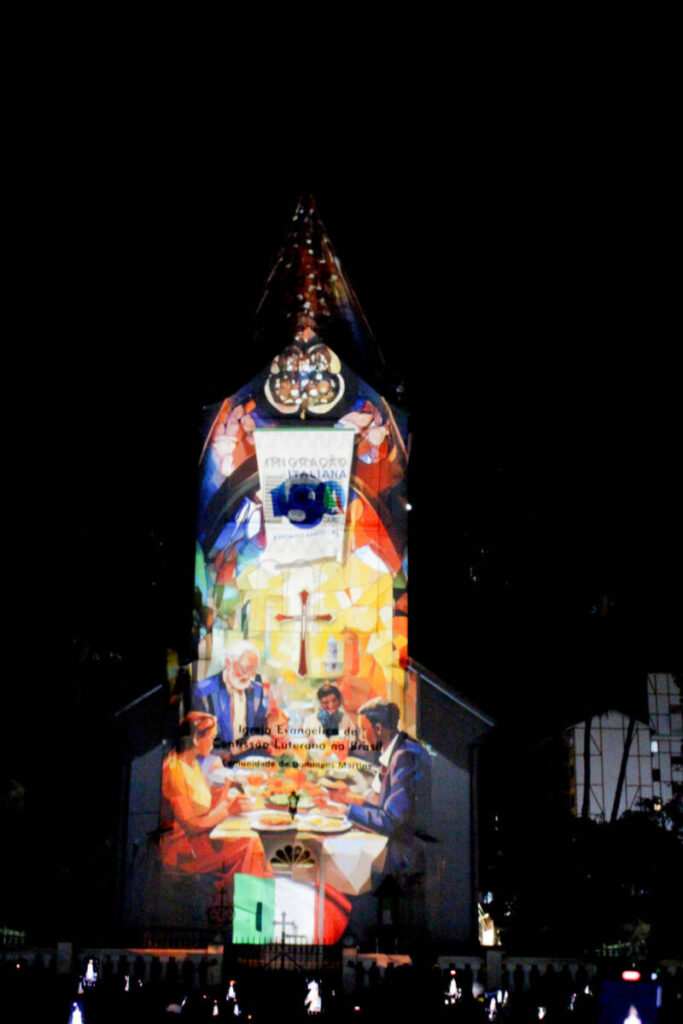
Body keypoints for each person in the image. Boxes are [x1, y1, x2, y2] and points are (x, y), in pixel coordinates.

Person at [316, 698, 431, 883]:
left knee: (332, 866)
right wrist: (349, 799)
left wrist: (347, 810)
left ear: (378, 729)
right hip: (401, 849)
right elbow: (384, 805)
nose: (361, 737)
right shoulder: (399, 748)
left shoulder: (404, 757)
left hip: (406, 861)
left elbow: (391, 821)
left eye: (363, 730)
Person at [160, 712, 272, 880]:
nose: (213, 744)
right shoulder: (174, 770)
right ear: (195, 739)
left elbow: (203, 808)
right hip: (181, 853)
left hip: (199, 841)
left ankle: (252, 894)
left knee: (251, 840)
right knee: (250, 845)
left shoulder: (191, 763)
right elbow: (192, 825)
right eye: (211, 738)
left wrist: (226, 793)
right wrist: (227, 810)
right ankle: (249, 896)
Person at [192, 640, 274, 755]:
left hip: (247, 758)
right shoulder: (202, 691)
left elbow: (259, 725)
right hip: (215, 760)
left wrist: (262, 736)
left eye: (253, 671)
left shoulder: (256, 690)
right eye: (244, 669)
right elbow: (197, 742)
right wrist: (228, 752)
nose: (248, 677)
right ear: (228, 663)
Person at [299, 682, 357, 760]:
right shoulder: (310, 720)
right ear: (320, 703)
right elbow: (306, 746)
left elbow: (352, 743)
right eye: (326, 702)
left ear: (339, 700)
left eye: (334, 700)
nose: (331, 705)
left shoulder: (346, 719)